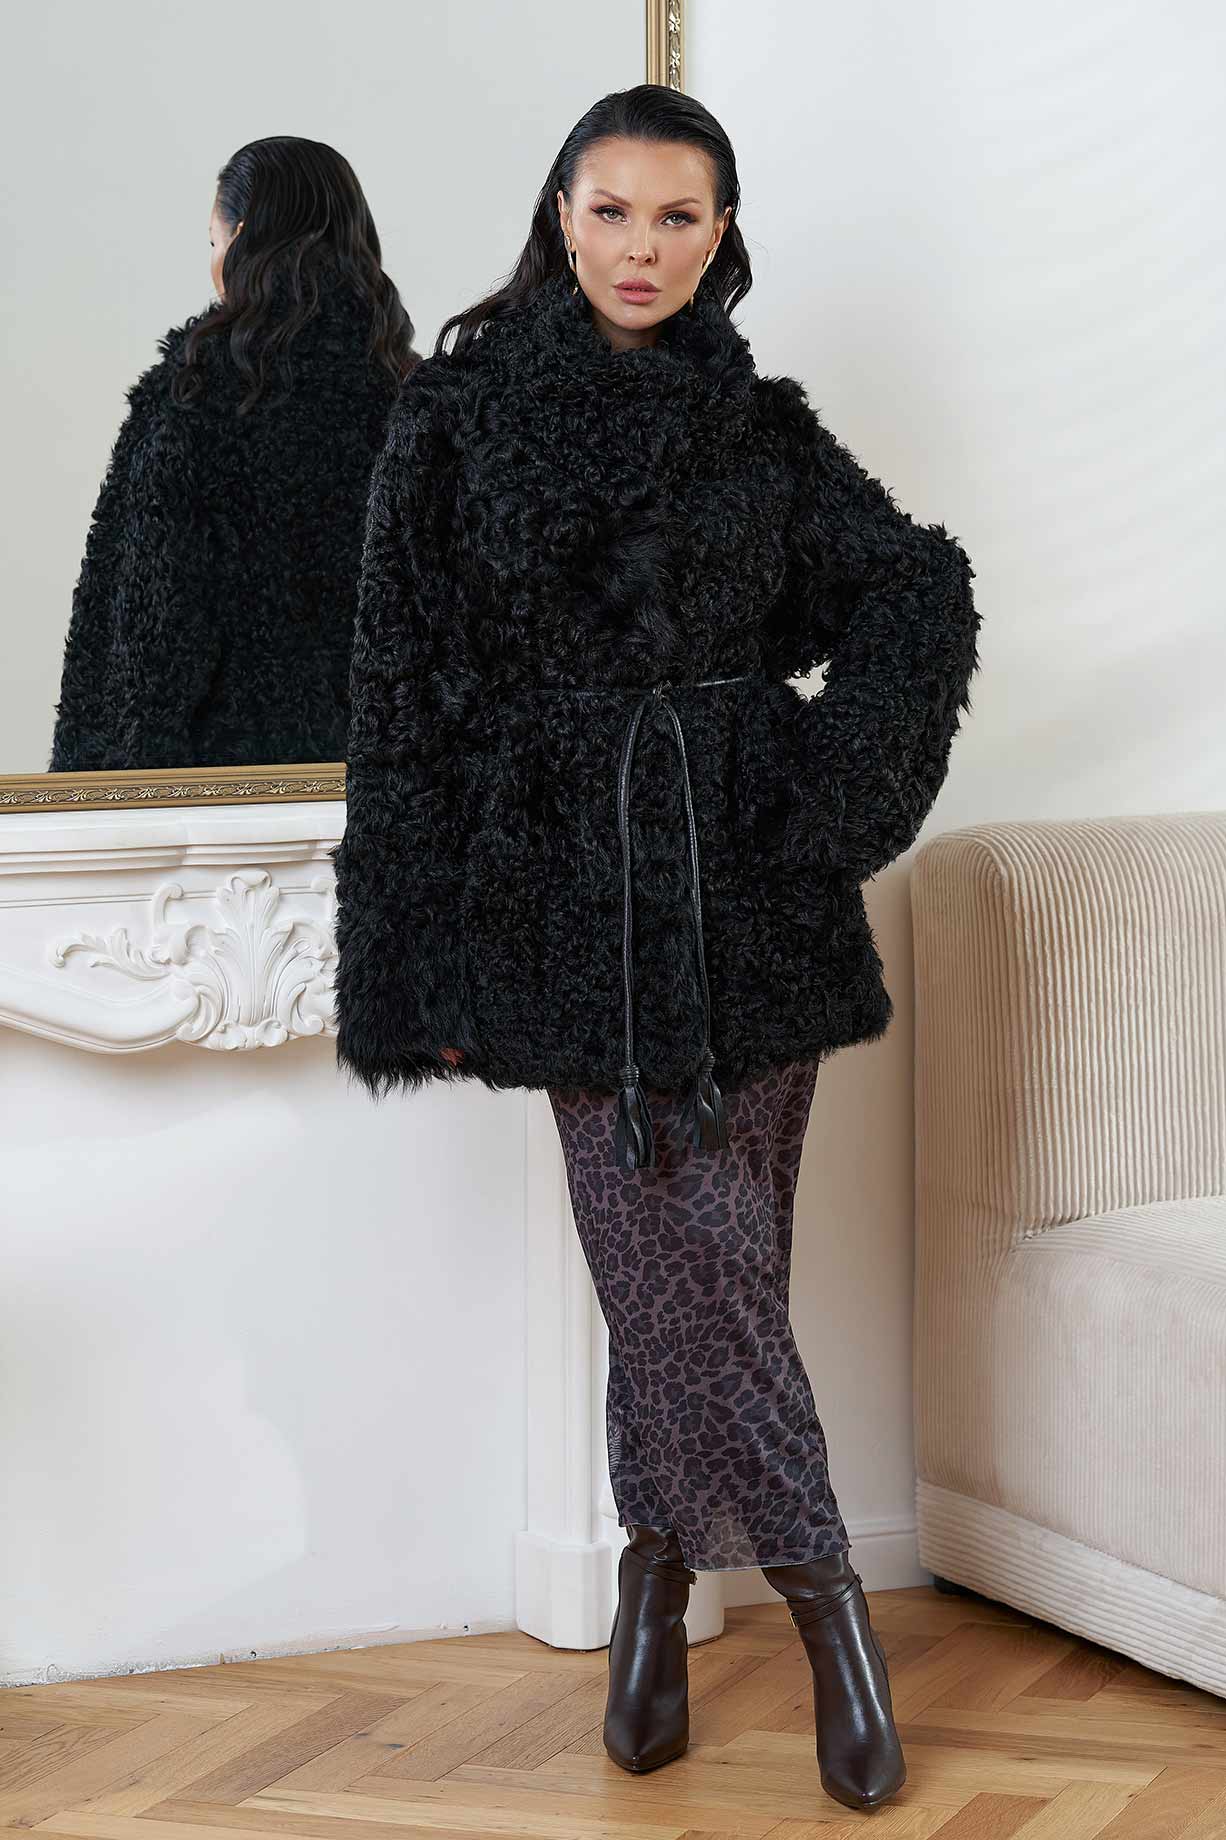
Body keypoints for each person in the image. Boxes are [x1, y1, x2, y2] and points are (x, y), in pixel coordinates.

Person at [331, 84, 980, 1813]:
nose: (640, 247)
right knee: (687, 1259)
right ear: (560, 214)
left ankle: (650, 1580)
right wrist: (414, 958)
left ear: (720, 234)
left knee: (713, 1274)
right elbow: (396, 695)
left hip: (755, 890)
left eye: (677, 217)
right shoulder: (451, 421)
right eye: (611, 210)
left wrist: (830, 786)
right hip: (564, 900)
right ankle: (833, 1615)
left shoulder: (761, 430)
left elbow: (916, 586)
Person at [49, 136, 419, 773]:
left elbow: (150, 621)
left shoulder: (193, 391)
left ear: (241, 238)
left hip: (220, 793)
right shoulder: (415, 397)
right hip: (386, 783)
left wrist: (108, 791)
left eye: (213, 241)